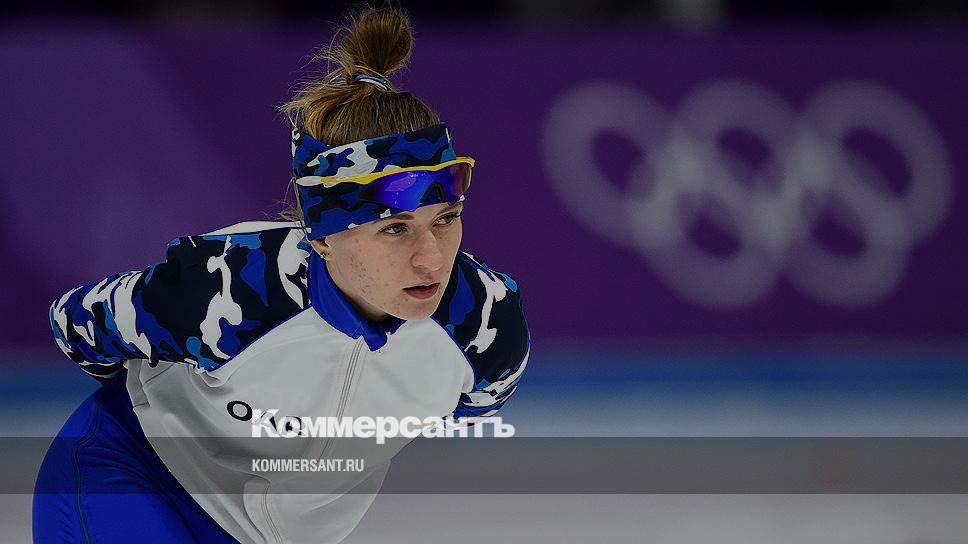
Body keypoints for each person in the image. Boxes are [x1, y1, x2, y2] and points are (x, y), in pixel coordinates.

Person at [32, 6, 530, 543]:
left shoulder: (485, 325)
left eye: (445, 220)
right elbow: (74, 322)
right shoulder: (230, 284)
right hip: (132, 474)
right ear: (322, 237)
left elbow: (473, 407)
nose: (431, 259)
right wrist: (154, 399)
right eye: (394, 229)